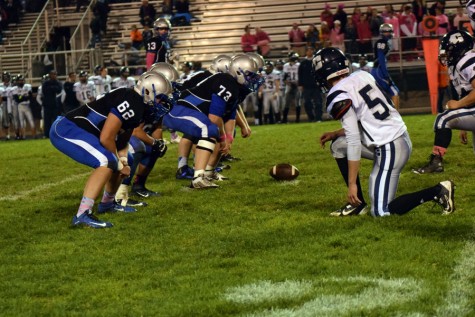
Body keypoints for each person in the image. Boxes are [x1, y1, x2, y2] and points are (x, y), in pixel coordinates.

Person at [314, 47, 455, 217]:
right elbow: (368, 118)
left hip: (390, 147)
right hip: (397, 138)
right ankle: (356, 204)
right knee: (338, 145)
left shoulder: (338, 94)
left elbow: (353, 140)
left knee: (381, 212)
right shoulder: (362, 75)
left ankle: (438, 191)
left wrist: (352, 184)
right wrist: (336, 133)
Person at [49, 71, 174, 228]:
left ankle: (107, 204)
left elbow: (122, 139)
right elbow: (107, 137)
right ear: (147, 91)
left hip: (85, 131)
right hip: (68, 129)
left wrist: (123, 161)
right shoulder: (132, 102)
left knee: (124, 158)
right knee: (106, 160)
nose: (161, 104)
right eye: (160, 99)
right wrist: (118, 163)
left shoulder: (137, 103)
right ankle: (82, 214)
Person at [162, 54, 263, 189]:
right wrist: (222, 138)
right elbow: (214, 118)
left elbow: (230, 114)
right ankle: (198, 178)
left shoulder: (239, 88)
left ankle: (208, 173)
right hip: (180, 110)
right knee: (210, 130)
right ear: (238, 72)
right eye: (250, 75)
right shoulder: (226, 82)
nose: (253, 79)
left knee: (216, 136)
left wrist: (228, 139)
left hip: (196, 114)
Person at [413, 30, 475, 174]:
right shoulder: (457, 65)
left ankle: (436, 162)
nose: (445, 53)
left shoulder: (468, 59)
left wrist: (458, 105)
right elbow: (466, 92)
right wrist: (463, 124)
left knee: (443, 118)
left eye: (449, 49)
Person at [371, 23, 400, 110]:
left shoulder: (384, 42)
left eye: (389, 31)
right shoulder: (382, 42)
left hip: (377, 70)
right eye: (385, 32)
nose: (387, 33)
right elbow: (381, 58)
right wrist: (386, 75)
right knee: (394, 92)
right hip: (379, 70)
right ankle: (396, 116)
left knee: (380, 94)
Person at [298, 46, 323, 122]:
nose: (309, 52)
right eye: (308, 50)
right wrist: (300, 85)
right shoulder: (303, 63)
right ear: (306, 52)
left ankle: (318, 118)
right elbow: (300, 74)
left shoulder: (316, 62)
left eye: (311, 50)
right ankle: (311, 117)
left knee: (318, 103)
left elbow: (320, 72)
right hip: (306, 86)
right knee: (307, 103)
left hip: (316, 86)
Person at [11, 75, 35, 139]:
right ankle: (23, 136)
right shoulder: (14, 88)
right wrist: (24, 97)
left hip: (27, 106)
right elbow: (17, 99)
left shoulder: (27, 86)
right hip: (20, 106)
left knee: (31, 120)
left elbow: (30, 96)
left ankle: (34, 136)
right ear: (17, 81)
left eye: (22, 80)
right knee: (21, 122)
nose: (21, 81)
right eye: (19, 80)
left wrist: (22, 97)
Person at [41, 69, 62, 138]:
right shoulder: (46, 83)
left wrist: (51, 88)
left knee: (55, 120)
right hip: (47, 104)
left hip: (54, 104)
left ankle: (56, 134)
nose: (54, 76)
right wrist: (53, 88)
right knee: (47, 121)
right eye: (53, 74)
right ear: (50, 75)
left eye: (55, 74)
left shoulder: (58, 82)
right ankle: (46, 134)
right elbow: (44, 91)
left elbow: (59, 90)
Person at [282, 52, 300, 123]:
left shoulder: (299, 65)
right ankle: (284, 119)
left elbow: (301, 75)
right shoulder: (286, 65)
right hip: (289, 85)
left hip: (297, 84)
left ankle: (297, 119)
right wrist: (288, 83)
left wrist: (298, 83)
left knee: (297, 102)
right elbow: (285, 77)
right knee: (286, 102)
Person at [0, 71, 13, 140]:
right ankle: (7, 135)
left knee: (14, 119)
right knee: (5, 119)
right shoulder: (0, 86)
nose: (6, 79)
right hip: (4, 103)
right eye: (4, 77)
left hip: (13, 103)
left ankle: (18, 134)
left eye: (7, 77)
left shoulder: (13, 85)